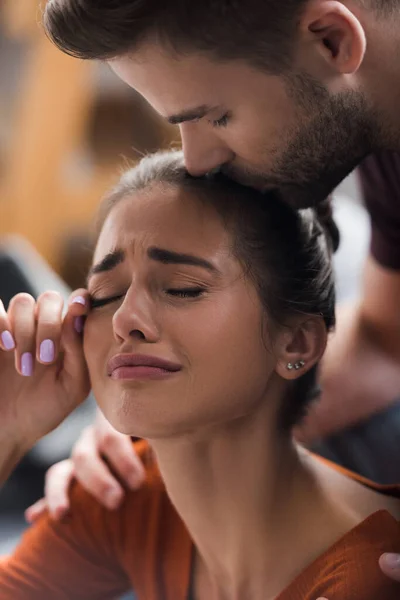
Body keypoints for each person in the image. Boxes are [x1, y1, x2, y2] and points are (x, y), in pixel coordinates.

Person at [25, 0, 400, 581]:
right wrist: (163, 431)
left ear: (330, 40)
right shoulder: (377, 134)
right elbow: (384, 341)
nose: (195, 159)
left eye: (216, 116)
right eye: (103, 293)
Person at [1, 151, 400, 599]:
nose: (125, 317)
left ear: (297, 343)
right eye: (105, 294)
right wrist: (8, 428)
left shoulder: (373, 577)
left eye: (181, 288)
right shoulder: (125, 493)